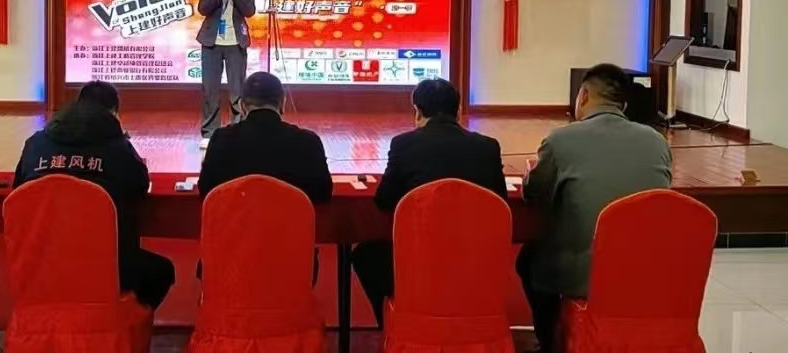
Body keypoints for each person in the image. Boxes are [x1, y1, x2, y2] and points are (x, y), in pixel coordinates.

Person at [518, 63, 672, 353]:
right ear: (623, 104)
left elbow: (535, 193)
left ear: (584, 96)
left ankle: (552, 343)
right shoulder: (657, 143)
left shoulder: (560, 140)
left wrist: (531, 175)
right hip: (646, 272)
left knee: (529, 260)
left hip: (586, 277)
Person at [351, 78, 508, 326]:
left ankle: (393, 324)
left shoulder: (404, 145)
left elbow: (384, 200)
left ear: (417, 111)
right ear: (458, 111)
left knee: (366, 255)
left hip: (420, 266)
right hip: (474, 265)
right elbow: (500, 202)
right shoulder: (488, 147)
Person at [13, 82, 175, 310]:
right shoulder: (119, 149)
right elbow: (139, 188)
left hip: (41, 264)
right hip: (104, 268)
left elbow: (18, 193)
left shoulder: (35, 144)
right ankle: (119, 323)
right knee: (160, 271)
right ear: (112, 113)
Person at [198, 71, 332, 203]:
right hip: (289, 218)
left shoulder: (221, 139)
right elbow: (323, 194)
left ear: (242, 107)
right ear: (282, 104)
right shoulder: (309, 142)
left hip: (236, 218)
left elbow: (206, 191)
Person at [196, 0, 256, 149]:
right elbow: (203, 9)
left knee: (237, 91)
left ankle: (238, 132)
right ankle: (209, 133)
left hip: (235, 43)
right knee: (210, 91)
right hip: (211, 44)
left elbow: (249, 11)